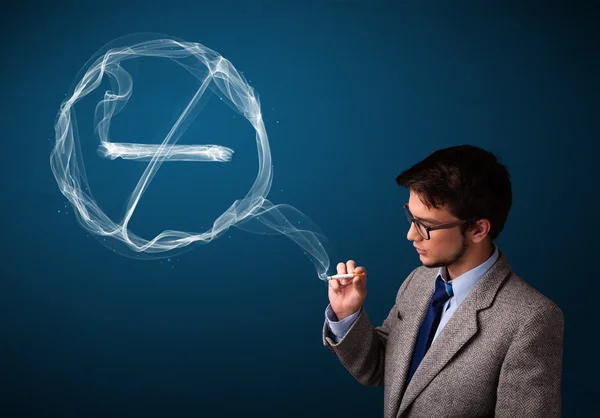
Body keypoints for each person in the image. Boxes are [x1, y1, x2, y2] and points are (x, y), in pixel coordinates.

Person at [322, 145, 564, 418]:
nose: (411, 235)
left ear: (478, 229)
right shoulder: (418, 281)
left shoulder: (531, 320)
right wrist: (347, 314)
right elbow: (380, 368)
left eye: (425, 224)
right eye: (410, 217)